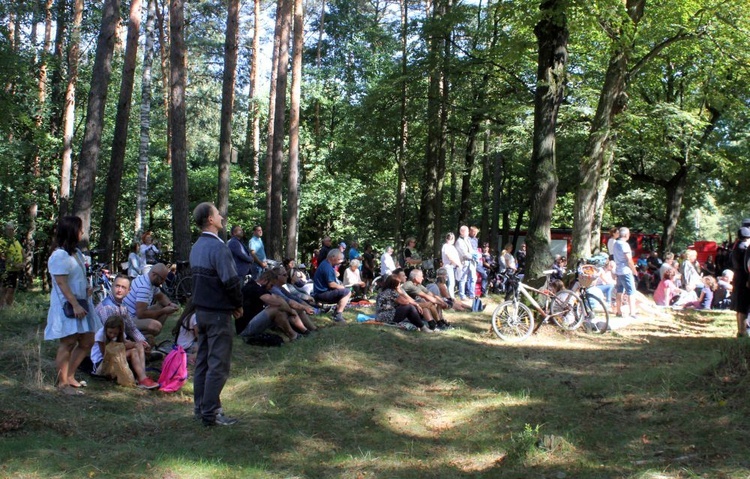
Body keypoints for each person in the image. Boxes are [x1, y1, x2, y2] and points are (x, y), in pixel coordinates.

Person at [190, 202, 243, 427]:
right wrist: (237, 304)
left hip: (201, 312)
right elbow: (230, 281)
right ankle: (211, 413)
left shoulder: (196, 246)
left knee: (202, 361)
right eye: (217, 213)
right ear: (210, 220)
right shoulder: (218, 248)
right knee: (217, 364)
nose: (222, 216)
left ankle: (200, 407)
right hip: (218, 313)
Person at [44, 216, 98, 395]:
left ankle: (71, 376)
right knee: (68, 342)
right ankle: (62, 383)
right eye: (80, 228)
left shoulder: (76, 252)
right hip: (68, 305)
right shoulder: (59, 255)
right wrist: (74, 304)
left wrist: (86, 288)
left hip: (82, 302)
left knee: (87, 340)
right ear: (71, 230)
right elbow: (61, 283)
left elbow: (77, 278)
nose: (82, 232)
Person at [238, 270, 311, 341]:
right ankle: (294, 335)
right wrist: (291, 311)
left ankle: (304, 331)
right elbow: (276, 302)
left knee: (282, 309)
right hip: (245, 328)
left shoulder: (259, 287)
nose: (271, 288)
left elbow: (279, 298)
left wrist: (290, 309)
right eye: (271, 285)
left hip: (254, 322)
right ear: (265, 280)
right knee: (276, 308)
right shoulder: (253, 287)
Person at [91, 315, 159, 389]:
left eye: (115, 333)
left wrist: (139, 344)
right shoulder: (101, 335)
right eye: (110, 332)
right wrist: (126, 346)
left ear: (119, 331)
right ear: (106, 329)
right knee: (133, 351)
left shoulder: (120, 334)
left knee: (138, 346)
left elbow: (126, 343)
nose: (112, 335)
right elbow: (106, 355)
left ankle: (142, 376)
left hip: (114, 359)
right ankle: (142, 378)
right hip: (101, 363)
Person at [95, 274, 151, 355]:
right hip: (105, 347)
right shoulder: (107, 307)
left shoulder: (122, 305)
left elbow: (131, 328)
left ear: (128, 291)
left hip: (119, 340)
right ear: (112, 286)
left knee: (147, 339)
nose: (119, 290)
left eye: (123, 287)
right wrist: (134, 344)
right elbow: (111, 336)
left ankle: (144, 354)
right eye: (117, 286)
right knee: (136, 349)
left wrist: (143, 341)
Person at [122, 263, 179, 336]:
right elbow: (141, 314)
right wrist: (163, 311)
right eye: (162, 279)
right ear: (154, 275)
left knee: (163, 305)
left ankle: (143, 336)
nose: (162, 282)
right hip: (128, 319)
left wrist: (170, 304)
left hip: (135, 315)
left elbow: (161, 297)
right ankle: (133, 338)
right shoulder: (144, 287)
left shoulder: (149, 281)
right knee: (156, 326)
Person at [312, 249, 352, 323]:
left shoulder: (325, 264)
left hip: (319, 292)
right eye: (339, 259)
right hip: (321, 294)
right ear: (333, 257)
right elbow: (332, 284)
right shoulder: (327, 267)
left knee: (344, 291)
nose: (340, 262)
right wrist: (342, 287)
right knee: (347, 292)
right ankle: (338, 315)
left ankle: (336, 312)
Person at [613, 227, 638, 319]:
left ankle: (618, 311)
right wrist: (634, 271)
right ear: (627, 235)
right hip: (626, 271)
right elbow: (629, 260)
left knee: (619, 291)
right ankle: (633, 313)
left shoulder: (615, 243)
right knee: (631, 292)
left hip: (618, 270)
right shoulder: (625, 245)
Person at [731, 225, 750, 337]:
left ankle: (740, 330)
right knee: (744, 307)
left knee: (740, 307)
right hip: (744, 279)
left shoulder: (736, 247)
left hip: (738, 278)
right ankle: (743, 331)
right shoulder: (744, 248)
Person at [0, 221, 24, 308]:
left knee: (12, 289)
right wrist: (13, 264)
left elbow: (22, 252)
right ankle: (2, 306)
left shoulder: (16, 241)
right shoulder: (2, 241)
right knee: (5, 288)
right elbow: (2, 256)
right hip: (7, 269)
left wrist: (24, 262)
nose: (11, 231)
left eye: (12, 229)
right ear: (5, 230)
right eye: (9, 229)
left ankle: (9, 306)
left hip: (16, 269)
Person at [455, 226, 477, 300]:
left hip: (471, 262)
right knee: (463, 279)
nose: (468, 233)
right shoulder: (459, 241)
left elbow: (471, 250)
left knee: (473, 278)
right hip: (464, 262)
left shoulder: (467, 239)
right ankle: (462, 295)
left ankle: (472, 294)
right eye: (467, 231)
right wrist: (472, 256)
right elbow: (464, 253)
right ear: (462, 232)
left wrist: (476, 254)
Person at [441, 233, 462, 300]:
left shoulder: (451, 247)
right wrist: (458, 263)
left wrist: (458, 264)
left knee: (451, 282)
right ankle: (450, 297)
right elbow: (450, 257)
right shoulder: (446, 246)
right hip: (448, 266)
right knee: (451, 282)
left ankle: (449, 296)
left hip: (452, 266)